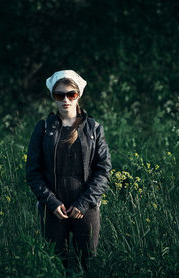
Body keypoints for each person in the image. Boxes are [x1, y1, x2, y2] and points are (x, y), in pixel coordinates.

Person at [25, 69, 112, 274]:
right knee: (55, 264)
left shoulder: (94, 128)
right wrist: (51, 202)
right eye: (59, 95)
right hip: (53, 208)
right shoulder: (44, 128)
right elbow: (33, 172)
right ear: (53, 98)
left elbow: (103, 170)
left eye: (70, 94)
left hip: (87, 207)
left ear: (78, 95)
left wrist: (84, 203)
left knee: (88, 262)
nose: (65, 100)